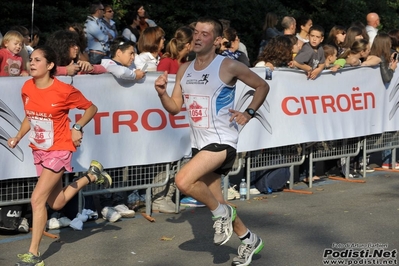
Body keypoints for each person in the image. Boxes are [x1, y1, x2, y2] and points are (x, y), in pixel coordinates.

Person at [154, 17, 269, 266]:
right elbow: (174, 107)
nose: (197, 37)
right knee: (220, 201)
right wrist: (162, 93)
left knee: (183, 181)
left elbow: (261, 85)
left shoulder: (228, 65)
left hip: (222, 141)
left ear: (217, 40)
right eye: (195, 32)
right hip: (200, 143)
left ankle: (222, 214)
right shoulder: (184, 68)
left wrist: (248, 113)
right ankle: (249, 239)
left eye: (204, 34)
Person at [8, 45, 112, 266]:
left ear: (50, 65)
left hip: (60, 148)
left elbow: (91, 108)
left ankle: (34, 255)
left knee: (37, 199)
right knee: (56, 203)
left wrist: (77, 127)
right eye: (31, 59)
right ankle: (92, 175)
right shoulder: (27, 87)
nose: (32, 63)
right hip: (39, 149)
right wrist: (18, 136)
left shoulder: (63, 90)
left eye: (37, 60)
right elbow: (30, 116)